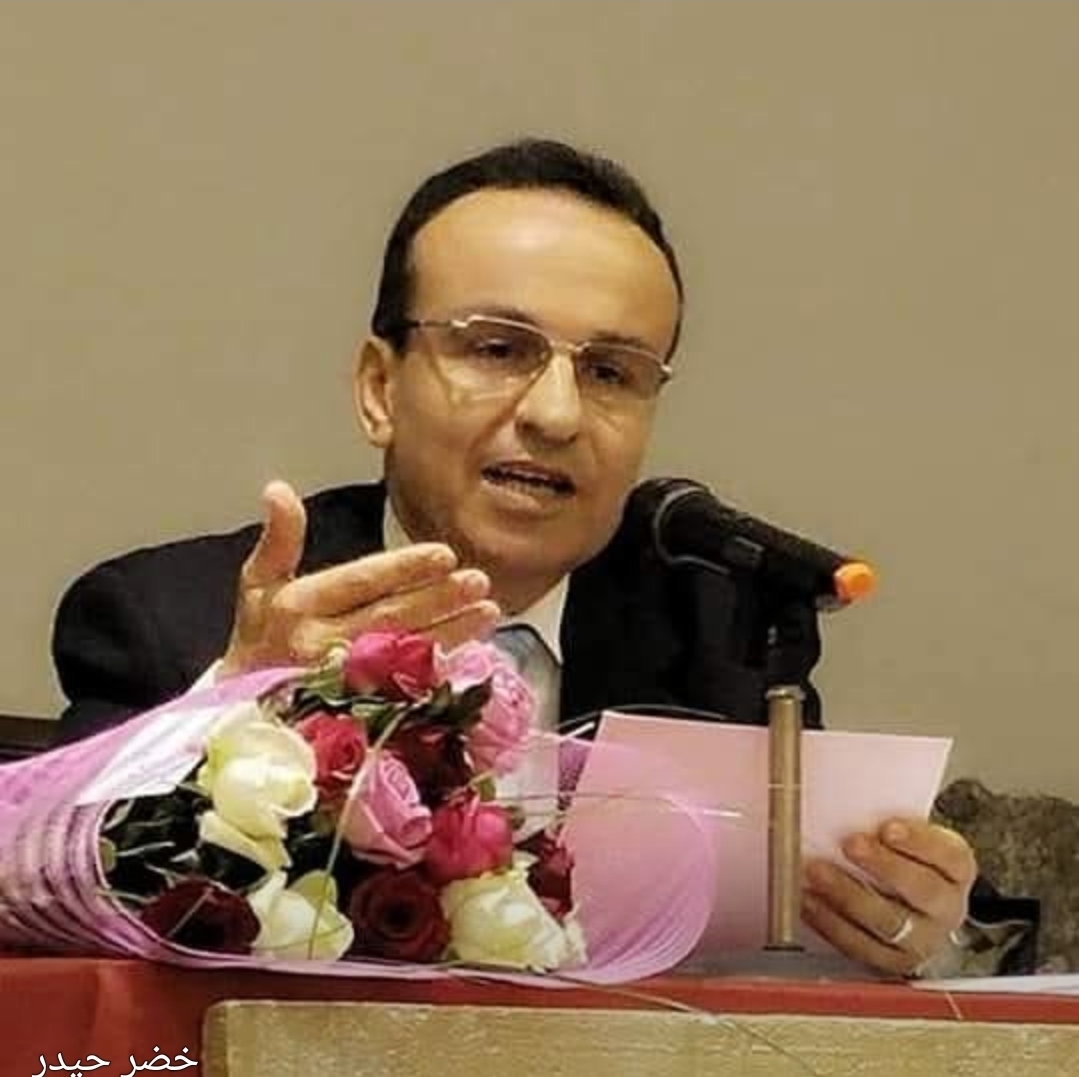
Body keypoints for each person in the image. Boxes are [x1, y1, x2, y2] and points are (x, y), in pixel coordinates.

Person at [52, 138, 976, 978]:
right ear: (379, 389)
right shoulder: (169, 618)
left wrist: (903, 921)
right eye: (497, 348)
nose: (556, 414)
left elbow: (783, 959)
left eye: (611, 372)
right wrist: (232, 703)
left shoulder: (718, 637)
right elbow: (51, 905)